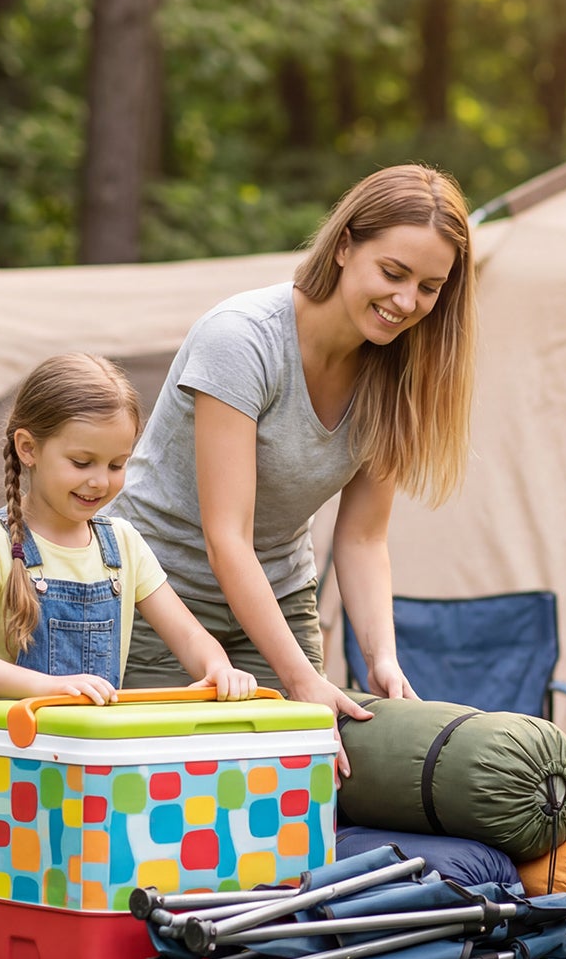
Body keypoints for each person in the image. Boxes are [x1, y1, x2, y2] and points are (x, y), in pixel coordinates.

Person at [115, 164, 477, 771]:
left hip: (277, 597)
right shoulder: (243, 341)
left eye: (429, 287)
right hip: (159, 601)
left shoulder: (394, 374)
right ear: (343, 247)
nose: (406, 302)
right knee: (166, 800)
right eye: (392, 273)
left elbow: (362, 537)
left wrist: (381, 657)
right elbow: (226, 535)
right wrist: (302, 681)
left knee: (296, 791)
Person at [0, 353, 257, 925]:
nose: (100, 481)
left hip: (96, 766)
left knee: (87, 907)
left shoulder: (122, 545)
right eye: (82, 461)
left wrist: (218, 667)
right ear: (27, 449)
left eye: (116, 464)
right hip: (12, 762)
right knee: (10, 907)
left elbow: (190, 638)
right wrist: (51, 688)